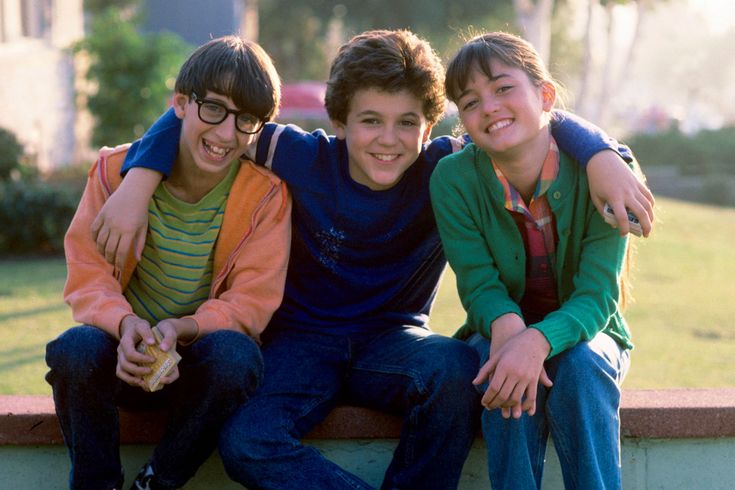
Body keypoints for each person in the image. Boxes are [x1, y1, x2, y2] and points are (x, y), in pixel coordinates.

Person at [90, 30, 652, 489]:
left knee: (457, 369)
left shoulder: (447, 167)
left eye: (407, 123)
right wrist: (138, 182)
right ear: (338, 122)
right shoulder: (298, 154)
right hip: (301, 343)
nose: (389, 140)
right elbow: (195, 117)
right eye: (370, 120)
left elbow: (531, 126)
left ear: (431, 128)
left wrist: (604, 152)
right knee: (246, 442)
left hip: (395, 340)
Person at [44, 36, 291, 490]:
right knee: (73, 349)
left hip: (195, 369)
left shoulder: (266, 196)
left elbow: (250, 303)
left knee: (238, 357)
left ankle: (156, 482)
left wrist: (182, 330)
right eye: (213, 108)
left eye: (246, 120)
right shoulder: (115, 173)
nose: (225, 134)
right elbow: (87, 277)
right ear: (180, 102)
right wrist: (124, 326)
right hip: (117, 357)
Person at [430, 32, 638, 489]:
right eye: (469, 101)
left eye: (503, 88)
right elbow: (478, 283)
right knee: (501, 372)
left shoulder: (603, 173)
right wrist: (511, 333)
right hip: (499, 327)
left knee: (582, 368)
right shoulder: (452, 179)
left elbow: (597, 296)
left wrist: (538, 342)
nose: (489, 107)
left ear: (544, 95)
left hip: (590, 332)